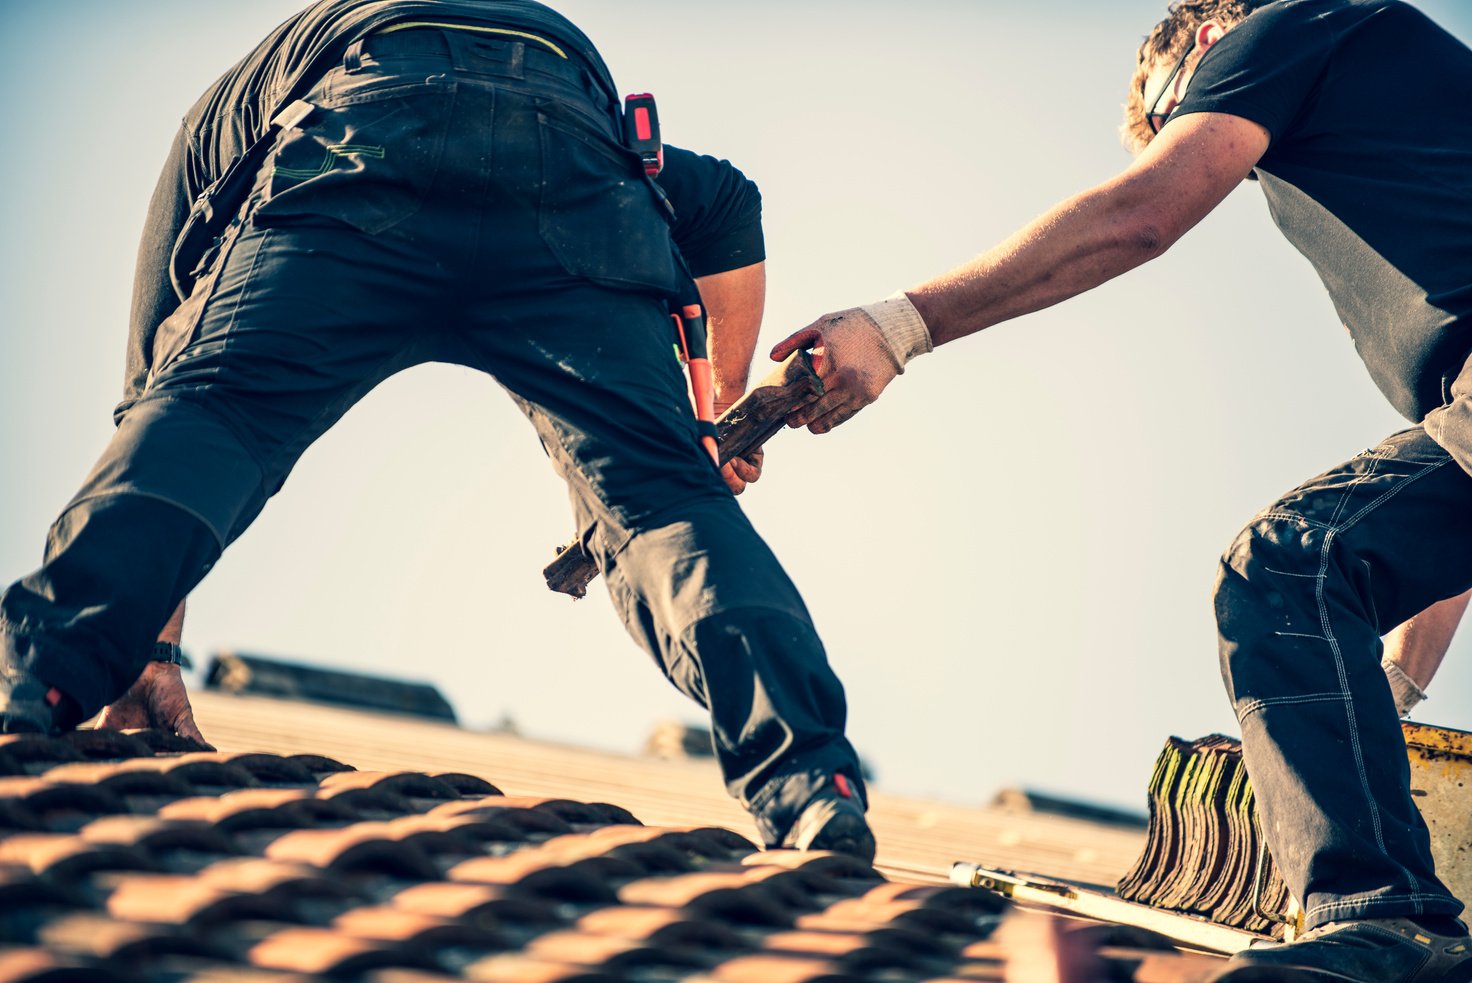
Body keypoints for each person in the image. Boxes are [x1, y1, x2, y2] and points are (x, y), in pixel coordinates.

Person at [0, 0, 875, 863]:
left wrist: (148, 638)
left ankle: (30, 687)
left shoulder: (244, 99)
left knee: (214, 415)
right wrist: (706, 431)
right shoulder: (557, 77)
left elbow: (169, 390)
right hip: (569, 173)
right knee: (662, 508)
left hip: (360, 150)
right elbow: (725, 203)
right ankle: (810, 787)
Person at [772, 0, 1472, 976]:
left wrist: (898, 325)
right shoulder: (1400, 142)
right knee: (1311, 573)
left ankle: (1386, 920)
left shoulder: (1284, 26)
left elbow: (1142, 215)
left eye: (1168, 115)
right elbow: (1445, 517)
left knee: (1280, 570)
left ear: (1195, 42)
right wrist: (1375, 695)